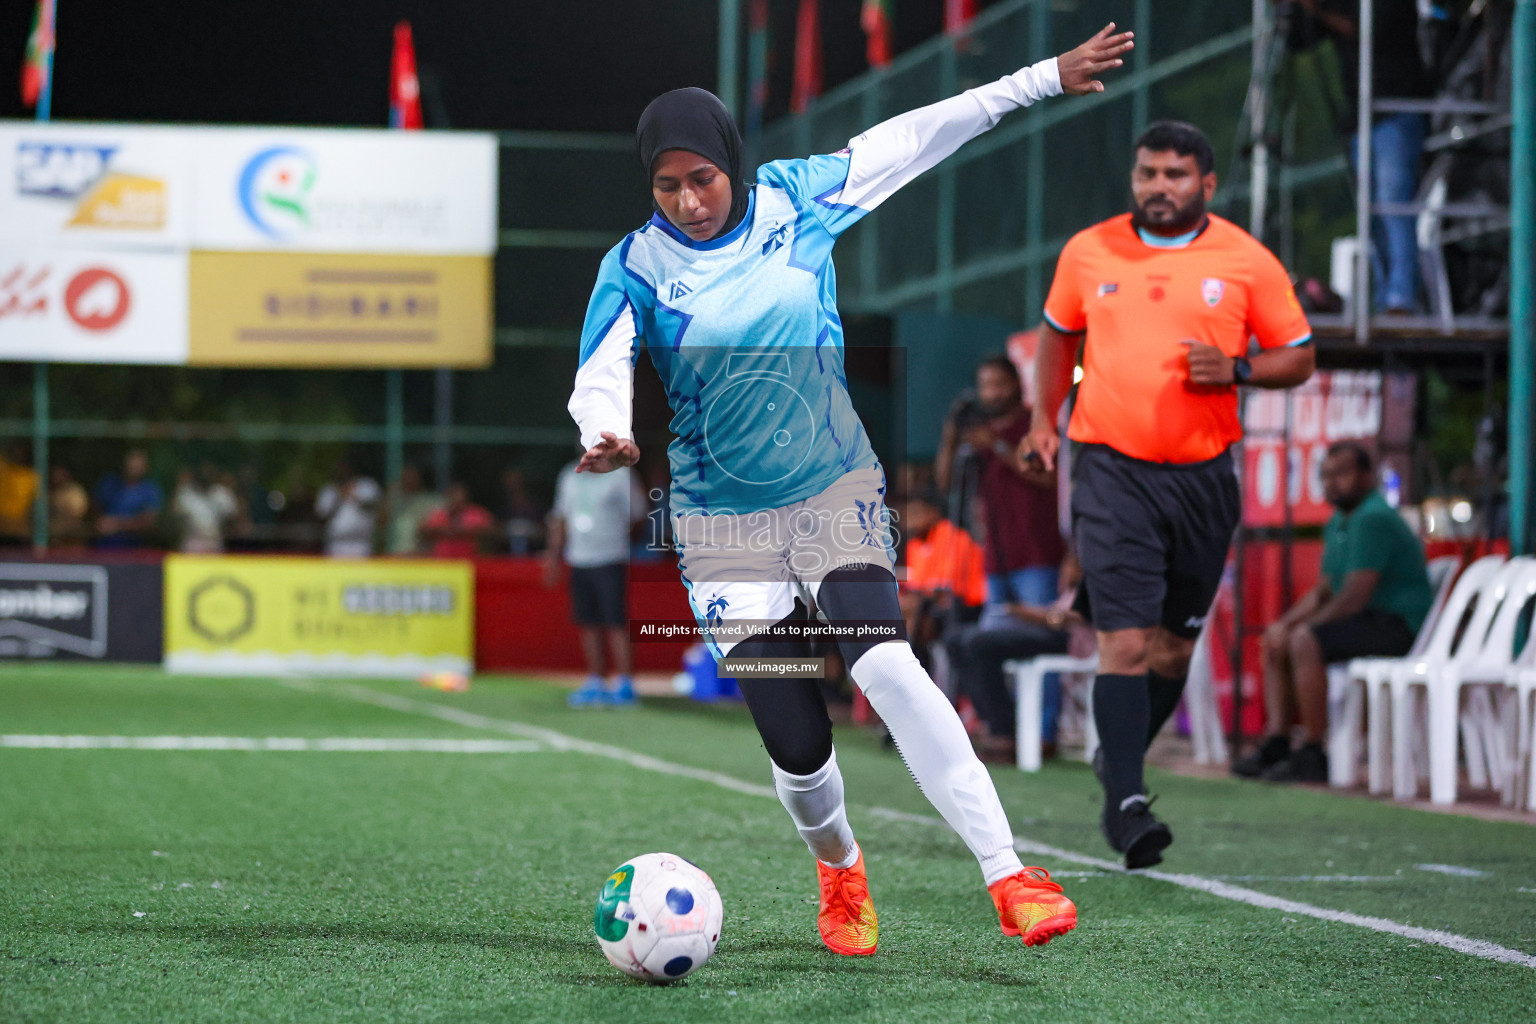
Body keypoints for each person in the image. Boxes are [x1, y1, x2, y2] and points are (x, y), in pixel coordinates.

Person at [567, 24, 1134, 954]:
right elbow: (602, 365)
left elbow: (926, 128)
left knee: (881, 657)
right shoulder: (634, 265)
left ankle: (1010, 874)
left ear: (732, 165)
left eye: (701, 178)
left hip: (833, 485)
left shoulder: (800, 196)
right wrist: (606, 429)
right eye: (667, 185)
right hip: (721, 521)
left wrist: (1040, 78)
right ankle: (840, 869)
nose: (689, 200)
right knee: (796, 742)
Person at [1023, 120, 1315, 870]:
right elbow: (1058, 336)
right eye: (1148, 172)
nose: (1159, 187)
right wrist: (1044, 422)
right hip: (1111, 467)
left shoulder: (1245, 259)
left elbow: (1299, 354)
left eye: (1176, 175)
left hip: (1204, 478)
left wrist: (1240, 371)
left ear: (1207, 185)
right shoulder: (1088, 251)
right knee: (1124, 640)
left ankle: (1117, 762)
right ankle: (1127, 800)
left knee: (1174, 646)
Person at [1234, 442, 1433, 782]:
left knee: (1303, 641)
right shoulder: (1340, 521)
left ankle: (1314, 751)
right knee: (1280, 638)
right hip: (1367, 619)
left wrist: (1301, 629)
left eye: (1341, 474)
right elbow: (1324, 591)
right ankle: (1278, 742)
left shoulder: (1373, 518)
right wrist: (1284, 624)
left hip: (1399, 625)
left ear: (1367, 476)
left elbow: (1354, 596)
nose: (1331, 483)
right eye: (1325, 475)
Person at [1292, 0, 1434, 314]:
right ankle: (1386, 296)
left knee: (1393, 203)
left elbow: (1365, 29)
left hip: (1397, 112)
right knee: (1370, 213)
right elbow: (1300, 39)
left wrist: (1314, 6)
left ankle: (1401, 297)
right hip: (1363, 120)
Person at [938, 355, 1065, 608]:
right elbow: (945, 483)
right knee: (995, 639)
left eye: (1000, 385)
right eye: (985, 386)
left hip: (1038, 558)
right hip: (995, 562)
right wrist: (950, 438)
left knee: (1038, 638)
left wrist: (997, 445)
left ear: (1017, 384)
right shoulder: (979, 435)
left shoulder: (1034, 426)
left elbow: (1049, 477)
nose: (992, 393)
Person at [948, 550, 1094, 764]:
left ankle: (1005, 733)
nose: (1066, 570)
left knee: (979, 644)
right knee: (957, 640)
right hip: (1051, 636)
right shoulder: (1066, 592)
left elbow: (1065, 619)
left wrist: (1031, 614)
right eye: (1066, 565)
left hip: (1070, 644)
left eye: (1073, 565)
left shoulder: (1091, 590)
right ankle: (996, 724)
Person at [544, 455, 648, 708]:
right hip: (579, 558)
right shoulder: (570, 475)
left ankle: (625, 683)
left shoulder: (621, 475)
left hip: (610, 557)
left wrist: (622, 541)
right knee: (587, 621)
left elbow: (638, 514)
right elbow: (561, 517)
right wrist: (553, 558)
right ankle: (596, 681)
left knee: (615, 621)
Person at [96, 449, 163, 549]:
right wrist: (100, 521)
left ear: (145, 467)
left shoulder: (151, 489)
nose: (133, 467)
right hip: (104, 547)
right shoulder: (109, 483)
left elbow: (149, 522)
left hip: (136, 550)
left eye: (138, 465)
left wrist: (117, 525)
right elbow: (95, 508)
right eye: (131, 463)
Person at [315, 461, 381, 559]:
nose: (342, 471)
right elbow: (322, 515)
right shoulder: (328, 490)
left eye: (345, 468)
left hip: (361, 545)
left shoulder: (366, 485)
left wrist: (354, 495)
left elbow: (374, 506)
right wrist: (339, 498)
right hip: (336, 544)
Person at [172, 463, 239, 554]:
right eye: (203, 471)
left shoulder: (223, 494)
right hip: (192, 543)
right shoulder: (185, 493)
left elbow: (234, 521)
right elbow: (174, 522)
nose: (206, 474)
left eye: (210, 472)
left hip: (215, 543)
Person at [421, 482, 498, 558]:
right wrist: (443, 530)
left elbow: (492, 530)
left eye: (459, 496)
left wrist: (466, 531)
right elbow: (424, 530)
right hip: (443, 560)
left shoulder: (476, 513)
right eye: (453, 496)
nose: (456, 500)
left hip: (470, 559)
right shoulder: (440, 514)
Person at [383, 465, 445, 555]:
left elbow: (439, 529)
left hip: (419, 554)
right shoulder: (394, 499)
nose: (408, 480)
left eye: (412, 477)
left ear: (420, 479)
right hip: (395, 554)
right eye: (405, 477)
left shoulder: (432, 501)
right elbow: (381, 524)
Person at [0, 442, 39, 545]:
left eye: (21, 453)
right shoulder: (4, 470)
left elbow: (35, 504)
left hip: (20, 532)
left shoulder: (31, 477)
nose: (17, 456)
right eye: (15, 453)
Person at [48, 465, 89, 548]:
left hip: (71, 535)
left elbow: (77, 515)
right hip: (53, 536)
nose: (57, 478)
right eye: (55, 475)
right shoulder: (49, 493)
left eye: (60, 475)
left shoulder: (75, 491)